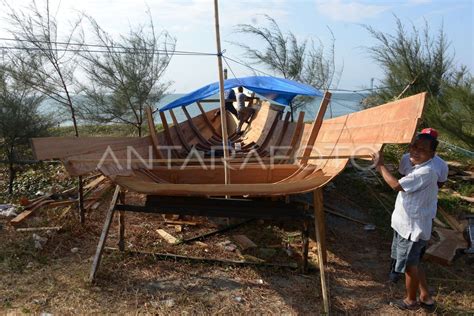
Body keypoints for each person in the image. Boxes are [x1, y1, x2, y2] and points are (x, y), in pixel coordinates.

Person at [372, 129, 445, 312]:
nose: (415, 151)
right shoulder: (417, 166)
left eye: (422, 149)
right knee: (414, 263)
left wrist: (380, 165)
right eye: (414, 146)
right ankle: (425, 296)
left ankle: (410, 301)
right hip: (405, 224)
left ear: (432, 154)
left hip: (413, 228)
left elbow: (396, 185)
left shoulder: (427, 172)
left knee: (410, 266)